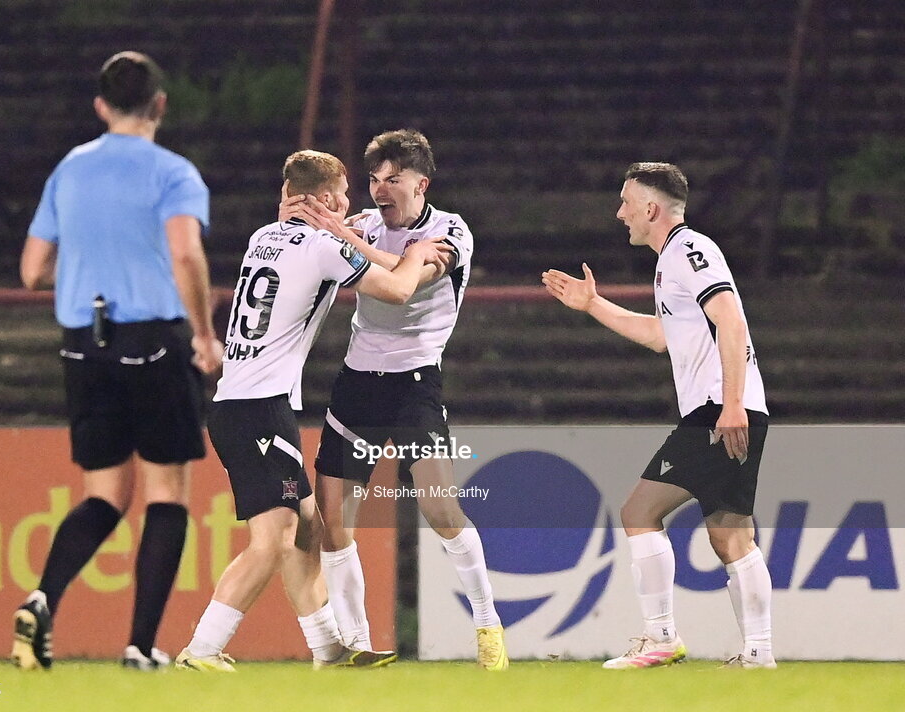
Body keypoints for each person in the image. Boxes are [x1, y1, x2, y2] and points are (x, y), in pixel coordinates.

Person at [174, 150, 452, 671]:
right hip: (258, 410)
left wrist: (332, 229)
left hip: (246, 404)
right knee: (274, 540)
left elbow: (310, 240)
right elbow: (395, 289)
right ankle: (203, 648)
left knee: (307, 530)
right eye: (344, 196)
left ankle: (329, 649)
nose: (349, 206)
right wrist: (416, 252)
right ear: (324, 199)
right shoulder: (322, 247)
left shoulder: (264, 235)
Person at [14, 51, 224, 671]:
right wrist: (205, 335)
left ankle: (40, 597)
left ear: (101, 106)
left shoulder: (69, 170)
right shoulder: (174, 172)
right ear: (160, 104)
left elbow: (30, 271)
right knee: (166, 493)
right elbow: (186, 254)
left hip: (84, 342)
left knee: (104, 495)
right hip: (154, 339)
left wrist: (85, 265)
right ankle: (139, 647)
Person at [284, 129, 509, 670]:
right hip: (358, 383)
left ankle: (486, 623)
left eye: (393, 180)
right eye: (373, 180)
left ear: (421, 184)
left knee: (439, 506)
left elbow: (408, 276)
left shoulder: (450, 231)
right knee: (334, 519)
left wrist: (342, 238)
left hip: (414, 385)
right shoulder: (358, 226)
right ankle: (357, 644)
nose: (380, 190)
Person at [542, 162, 774, 669]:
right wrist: (594, 305)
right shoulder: (673, 260)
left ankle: (661, 636)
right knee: (731, 533)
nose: (620, 212)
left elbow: (731, 321)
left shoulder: (690, 251)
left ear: (651, 208)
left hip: (718, 410)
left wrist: (731, 405)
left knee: (638, 513)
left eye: (626, 202)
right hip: (731, 407)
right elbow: (659, 337)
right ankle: (759, 654)